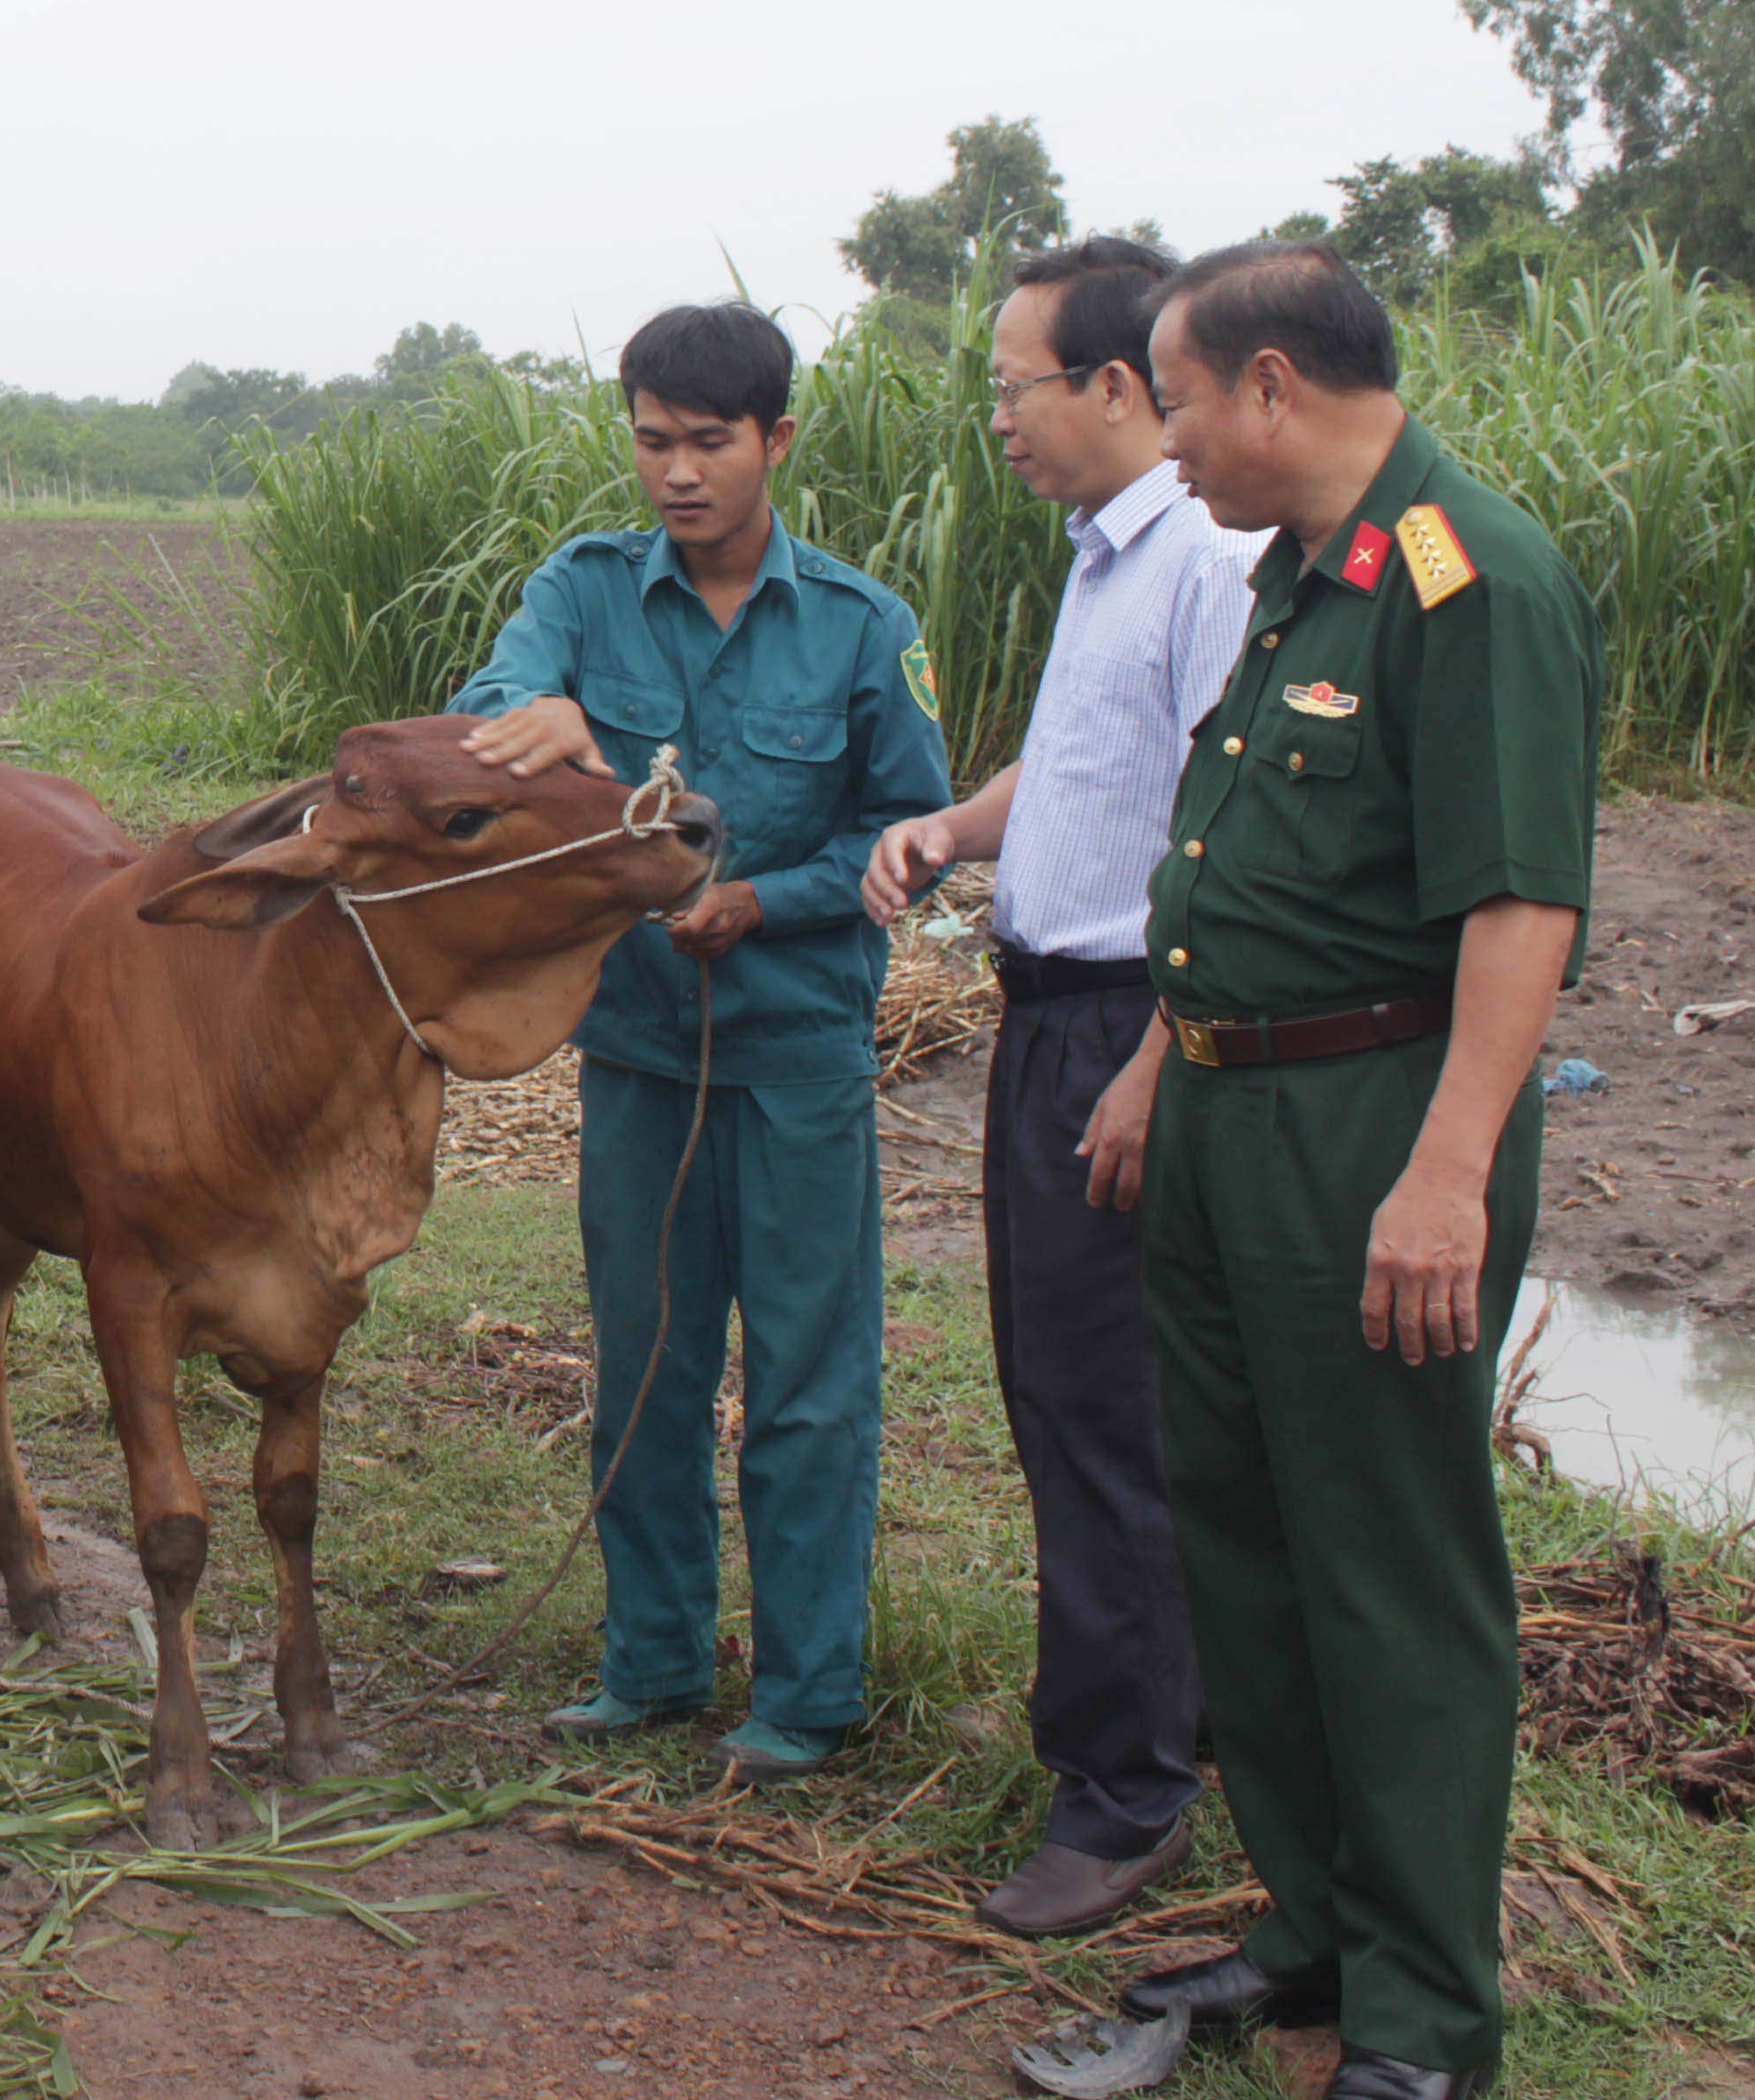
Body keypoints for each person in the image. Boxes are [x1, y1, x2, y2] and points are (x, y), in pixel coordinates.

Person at [1114, 243, 1597, 2100]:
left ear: (1267, 386)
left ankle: (1421, 2022)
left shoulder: (1471, 578)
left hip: (1369, 1132)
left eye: (1175, 405)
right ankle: (1310, 1927)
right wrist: (1162, 1064)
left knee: (1390, 1567)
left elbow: (1519, 903)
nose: (1168, 447)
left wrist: (1446, 1174)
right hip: (1227, 1115)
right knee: (1244, 1538)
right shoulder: (1302, 575)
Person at [451, 302, 950, 1781]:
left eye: (710, 443)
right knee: (647, 1367)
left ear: (775, 441)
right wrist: (545, 717)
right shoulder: (585, 591)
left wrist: (765, 901)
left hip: (798, 1060)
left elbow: (908, 832)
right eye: (654, 441)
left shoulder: (862, 627)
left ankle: (806, 1695)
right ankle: (653, 1663)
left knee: (807, 1384)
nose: (678, 472)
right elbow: (494, 707)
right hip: (639, 1056)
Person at [861, 238, 1263, 1937]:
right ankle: (1172, 1723)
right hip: (1052, 1023)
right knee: (1061, 1392)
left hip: (1130, 1030)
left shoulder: (1209, 563)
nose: (1001, 420)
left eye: (1015, 385)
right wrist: (955, 827)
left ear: (1113, 384)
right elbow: (1093, 763)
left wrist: (1161, 1056)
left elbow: (1239, 830)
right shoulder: (1111, 558)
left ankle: (1124, 1792)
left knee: (1106, 1412)